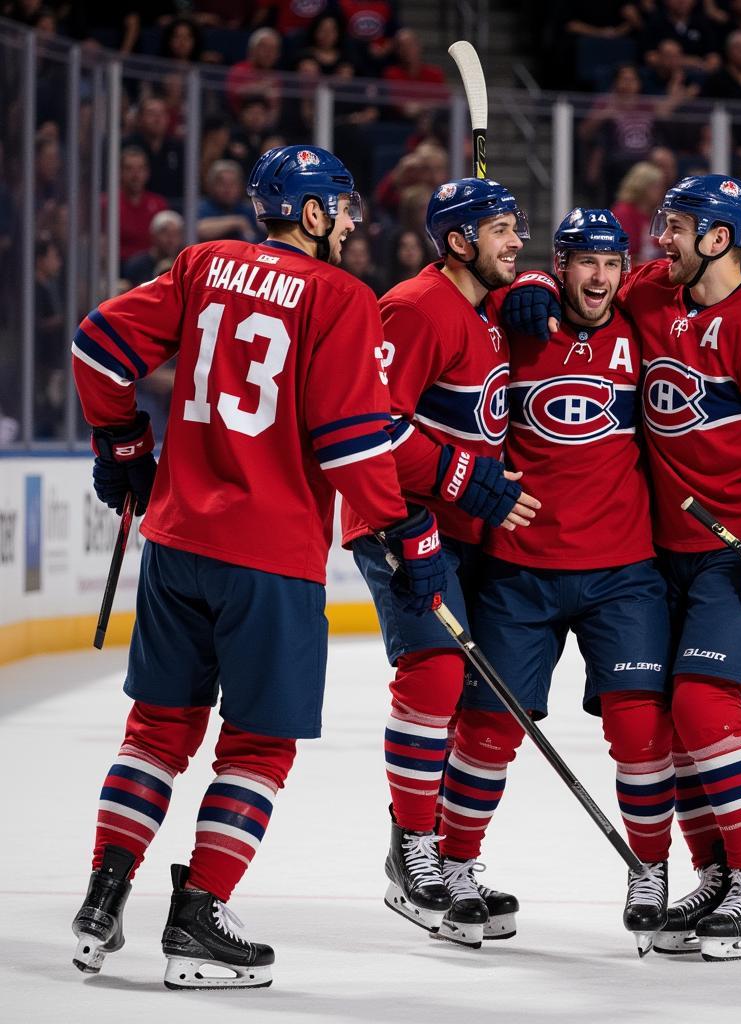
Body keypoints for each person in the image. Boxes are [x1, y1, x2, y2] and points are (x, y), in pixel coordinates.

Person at [69, 144, 447, 990]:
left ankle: (103, 898)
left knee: (158, 732)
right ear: (310, 214)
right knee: (259, 744)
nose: (352, 223)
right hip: (271, 560)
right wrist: (404, 528)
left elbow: (97, 348)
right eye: (341, 209)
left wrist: (123, 439)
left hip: (174, 541)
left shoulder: (203, 264)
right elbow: (350, 441)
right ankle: (200, 912)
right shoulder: (343, 297)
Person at [501, 174, 741, 961]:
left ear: (719, 237)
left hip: (736, 554)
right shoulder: (653, 291)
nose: (660, 239)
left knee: (707, 709)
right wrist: (536, 283)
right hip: (660, 557)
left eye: (677, 226)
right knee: (676, 729)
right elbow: (592, 278)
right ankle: (717, 874)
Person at [443, 209, 674, 954]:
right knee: (488, 731)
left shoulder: (641, 323)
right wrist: (523, 289)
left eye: (612, 262)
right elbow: (481, 294)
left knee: (641, 733)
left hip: (623, 573)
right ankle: (457, 866)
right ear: (561, 264)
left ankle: (651, 870)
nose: (599, 277)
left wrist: (532, 284)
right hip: (521, 569)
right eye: (581, 263)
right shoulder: (514, 326)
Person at [340, 178, 541, 943]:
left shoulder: (483, 307)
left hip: (457, 527)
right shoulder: (415, 308)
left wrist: (531, 284)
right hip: (396, 518)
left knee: (476, 693)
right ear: (459, 243)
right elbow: (372, 424)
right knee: (434, 672)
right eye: (500, 230)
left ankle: (451, 858)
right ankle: (412, 854)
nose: (515, 241)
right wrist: (462, 481)